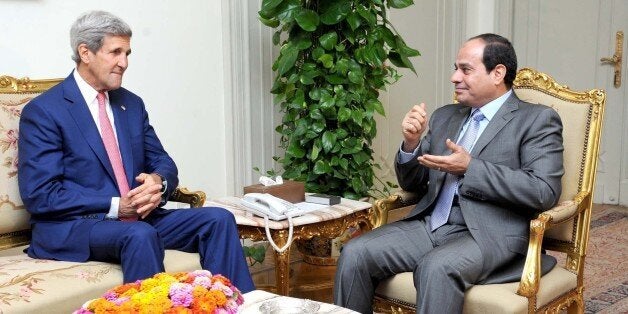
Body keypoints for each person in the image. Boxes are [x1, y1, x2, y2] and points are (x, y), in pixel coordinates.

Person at [17, 10, 255, 292]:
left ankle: (243, 307)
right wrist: (117, 205)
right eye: (116, 52)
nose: (124, 63)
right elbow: (41, 195)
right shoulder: (45, 111)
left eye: (128, 53)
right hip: (76, 227)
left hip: (138, 219)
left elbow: (163, 161)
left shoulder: (131, 104)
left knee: (218, 218)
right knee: (139, 234)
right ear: (85, 52)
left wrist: (158, 182)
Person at [334, 33, 564, 313]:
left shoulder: (536, 120)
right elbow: (413, 183)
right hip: (431, 224)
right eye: (456, 68)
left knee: (436, 267)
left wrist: (471, 168)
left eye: (466, 69)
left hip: (490, 235)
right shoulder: (445, 116)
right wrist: (411, 143)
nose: (455, 77)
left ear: (498, 73)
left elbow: (543, 191)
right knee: (355, 253)